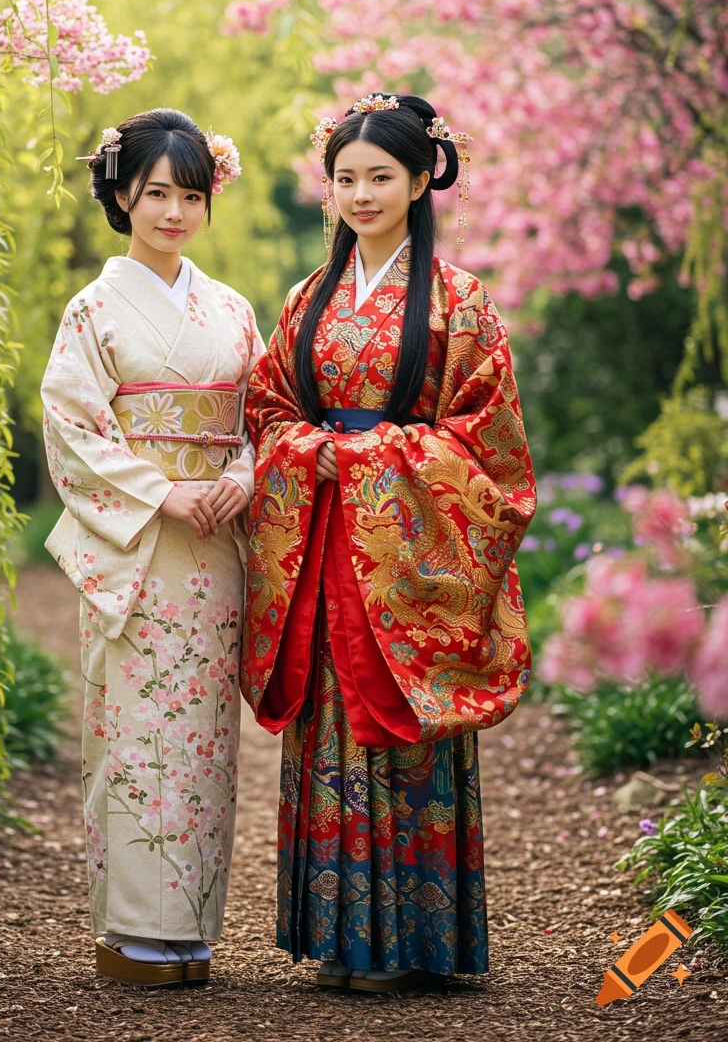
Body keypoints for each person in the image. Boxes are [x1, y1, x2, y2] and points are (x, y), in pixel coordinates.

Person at [242, 93, 536, 994]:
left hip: (407, 558)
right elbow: (267, 410)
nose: (361, 194)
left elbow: (490, 444)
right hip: (327, 536)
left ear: (420, 180)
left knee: (400, 720)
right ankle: (339, 940)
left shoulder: (460, 302)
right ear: (326, 190)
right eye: (345, 179)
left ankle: (413, 942)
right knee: (333, 723)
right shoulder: (306, 298)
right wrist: (308, 451)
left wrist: (374, 458)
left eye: (380, 177)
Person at [41, 108, 263, 988]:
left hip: (212, 550)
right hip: (139, 548)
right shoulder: (93, 308)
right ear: (123, 196)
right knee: (136, 733)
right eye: (156, 193)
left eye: (190, 194)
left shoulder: (233, 311)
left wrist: (240, 479)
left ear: (209, 201)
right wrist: (162, 490)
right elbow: (70, 424)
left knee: (204, 737)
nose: (173, 211)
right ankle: (134, 933)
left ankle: (192, 930)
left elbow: (262, 418)